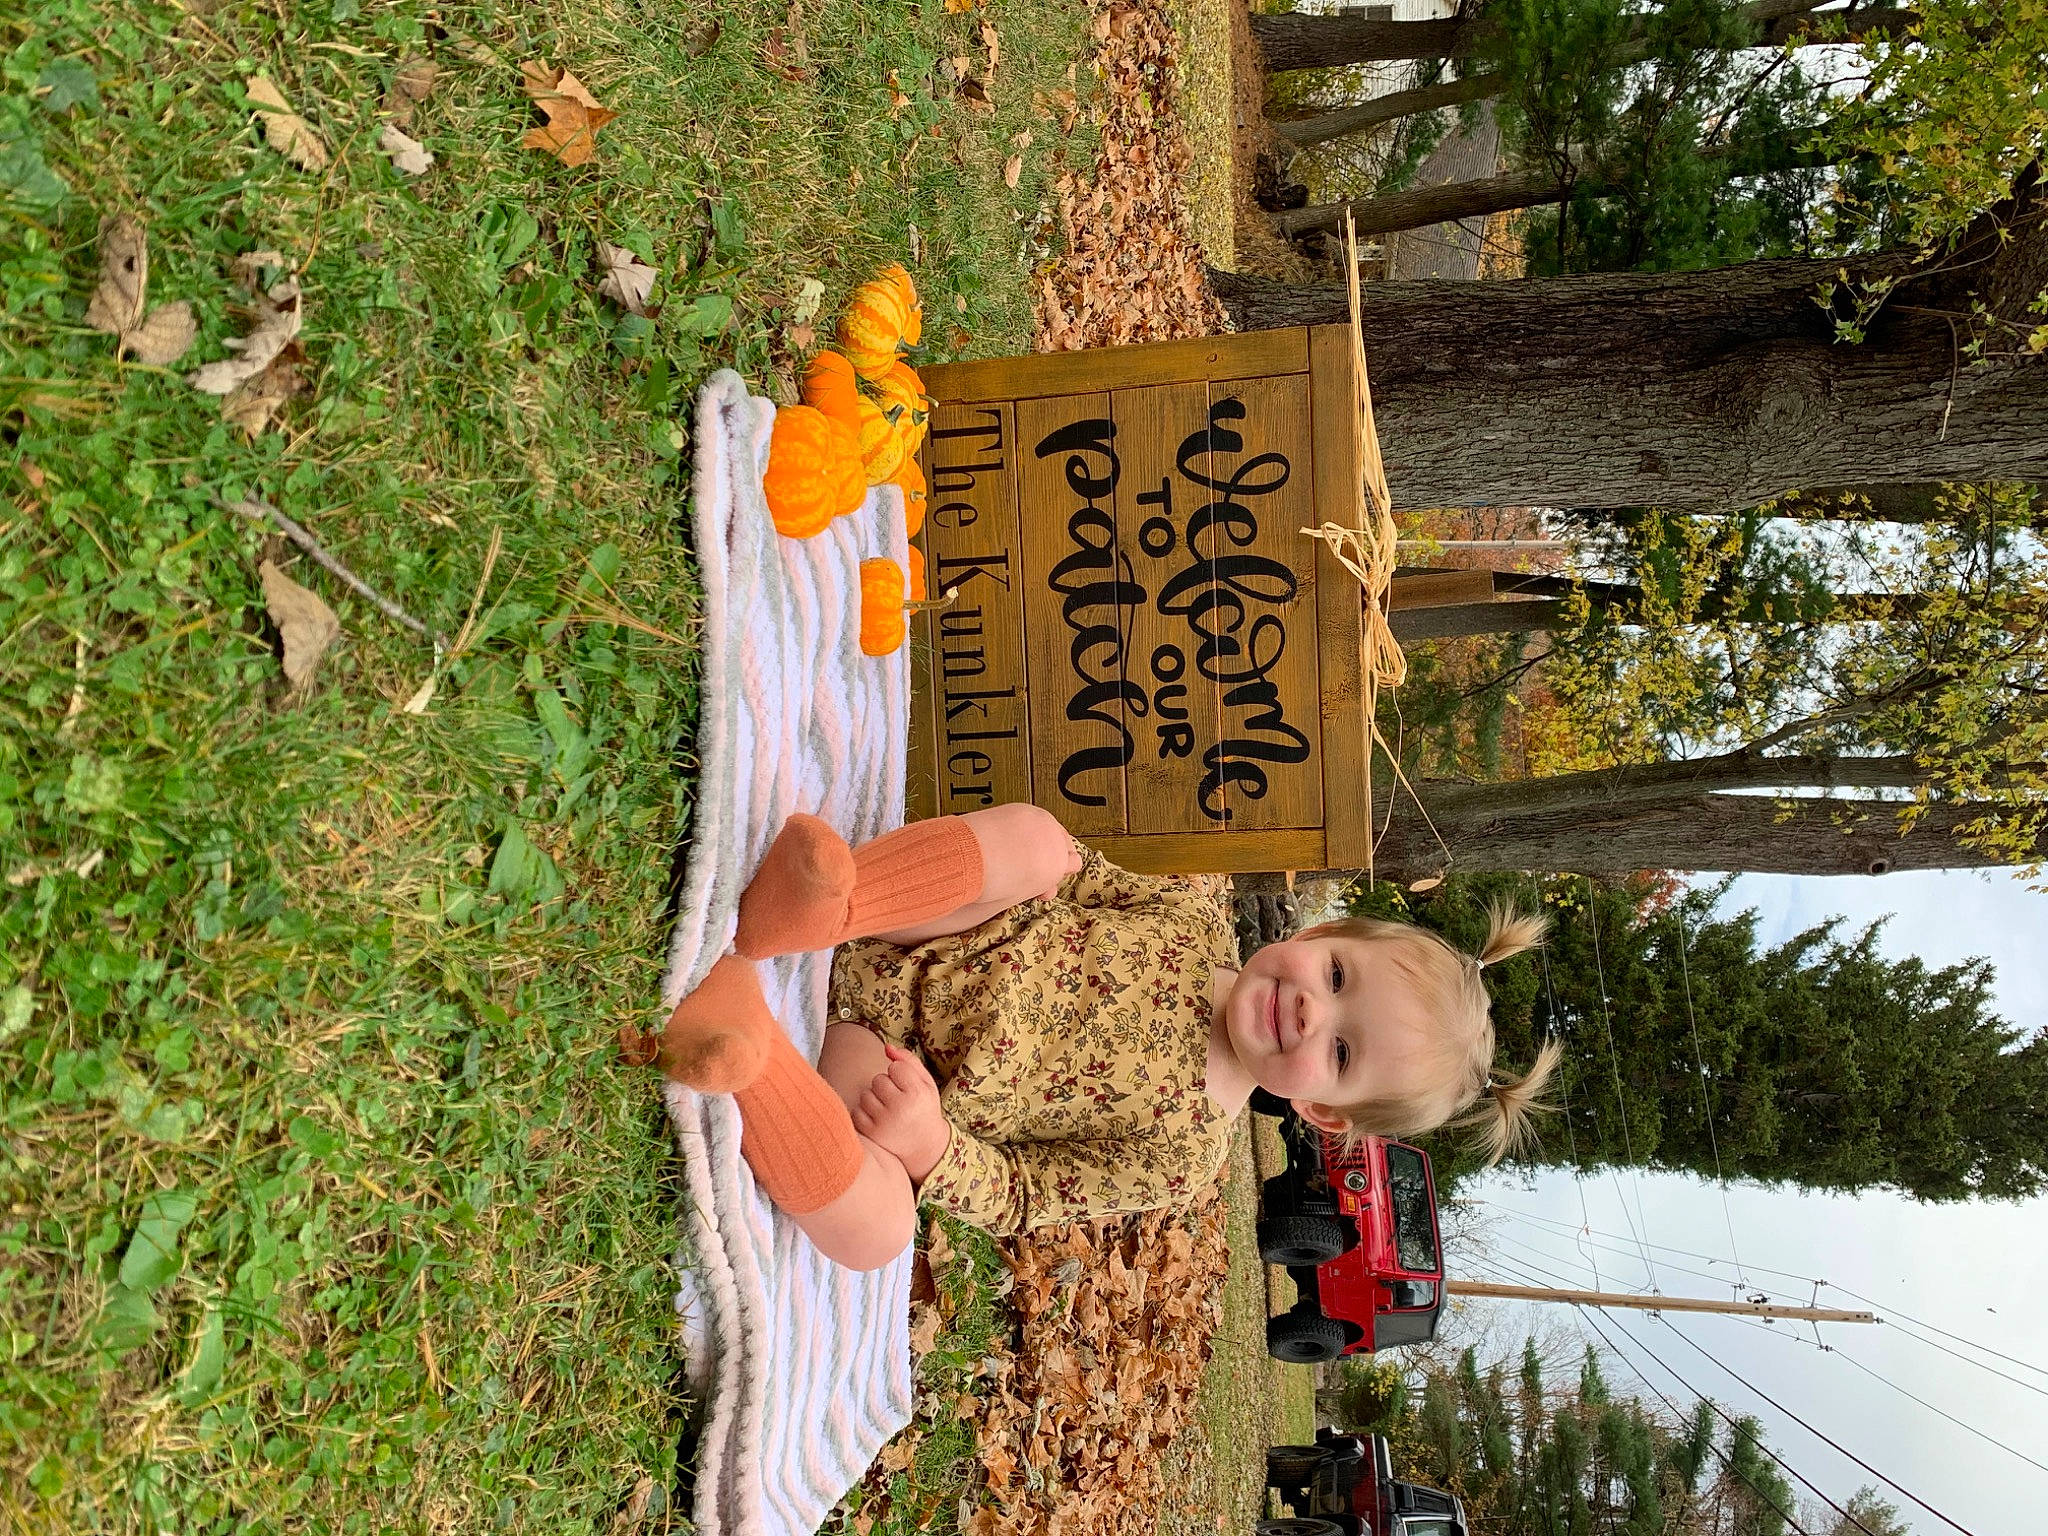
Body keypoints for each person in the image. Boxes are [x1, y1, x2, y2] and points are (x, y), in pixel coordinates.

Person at [632, 804, 1561, 1270]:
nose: (1314, 1011)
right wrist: (1048, 865)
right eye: (1337, 978)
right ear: (1314, 939)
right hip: (924, 932)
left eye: (1343, 1051)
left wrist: (935, 1147)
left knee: (878, 1233)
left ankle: (750, 1056)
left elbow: (1030, 1193)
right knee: (1041, 840)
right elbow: (1074, 880)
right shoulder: (1193, 919)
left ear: (1318, 1106)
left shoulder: (1186, 1152)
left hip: (890, 1070)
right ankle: (822, 905)